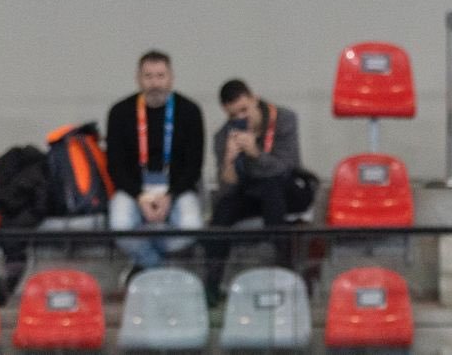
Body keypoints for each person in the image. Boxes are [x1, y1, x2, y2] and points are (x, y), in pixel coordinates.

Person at [201, 79, 304, 306]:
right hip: (251, 192)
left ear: (254, 99)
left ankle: (285, 274)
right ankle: (212, 285)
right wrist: (228, 162)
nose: (242, 118)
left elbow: (288, 166)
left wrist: (256, 153)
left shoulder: (285, 119)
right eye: (234, 115)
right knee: (223, 210)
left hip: (287, 189)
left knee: (272, 188)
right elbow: (227, 188)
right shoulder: (224, 136)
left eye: (245, 110)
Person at [106, 50, 205, 281]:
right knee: (119, 225)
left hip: (176, 189)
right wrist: (140, 196)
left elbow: (194, 165)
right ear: (138, 79)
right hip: (134, 190)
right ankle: (159, 270)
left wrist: (169, 196)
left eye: (160, 76)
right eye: (148, 76)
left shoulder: (189, 111)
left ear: (171, 78)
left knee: (192, 226)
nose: (155, 83)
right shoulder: (120, 112)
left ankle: (145, 264)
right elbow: (115, 165)